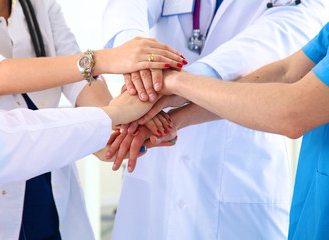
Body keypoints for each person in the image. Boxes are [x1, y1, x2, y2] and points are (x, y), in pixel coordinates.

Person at [102, 0, 329, 239]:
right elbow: (286, 70)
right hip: (157, 153)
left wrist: (171, 82)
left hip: (240, 174)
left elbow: (290, 105)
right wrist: (138, 62)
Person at [0, 0, 183, 239]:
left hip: (50, 172)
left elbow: (80, 80)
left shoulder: (39, 4)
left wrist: (119, 127)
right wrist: (103, 60)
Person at [0, 88, 155, 239]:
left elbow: (76, 74)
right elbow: (6, 136)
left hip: (46, 172)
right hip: (12, 168)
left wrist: (111, 125)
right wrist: (115, 114)